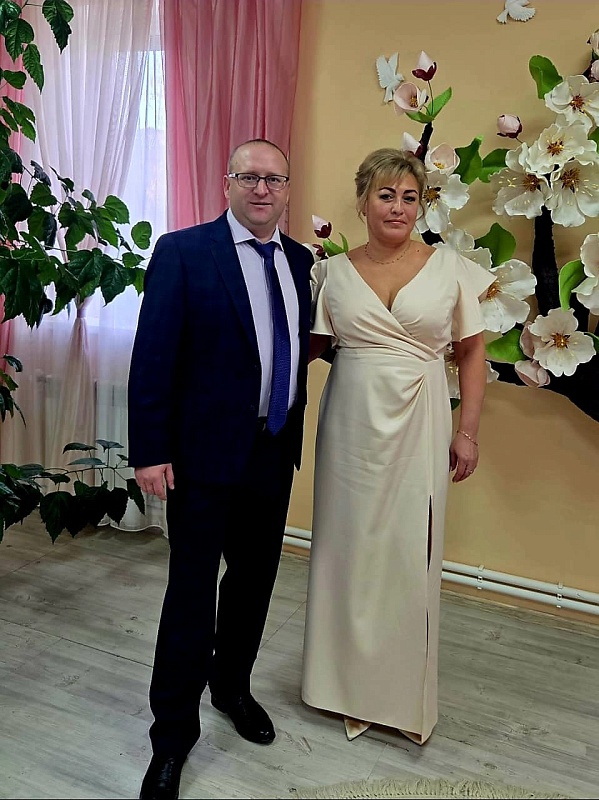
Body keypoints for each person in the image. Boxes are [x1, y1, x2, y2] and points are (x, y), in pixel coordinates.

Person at [128, 138, 313, 800]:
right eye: (249, 177)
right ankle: (171, 738)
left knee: (253, 585)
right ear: (227, 184)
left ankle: (231, 687)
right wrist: (150, 450)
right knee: (191, 594)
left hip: (272, 450)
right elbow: (153, 355)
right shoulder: (183, 252)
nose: (262, 189)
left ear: (287, 190)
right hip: (200, 458)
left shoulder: (300, 260)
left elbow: (297, 348)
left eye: (274, 179)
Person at [301, 147, 494, 745]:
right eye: (386, 195)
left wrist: (468, 431)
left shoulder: (449, 266)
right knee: (348, 549)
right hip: (350, 424)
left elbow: (472, 353)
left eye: (410, 197)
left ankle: (402, 695)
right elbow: (307, 348)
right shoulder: (330, 273)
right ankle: (345, 689)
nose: (398, 207)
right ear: (363, 202)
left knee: (412, 551)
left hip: (422, 419)